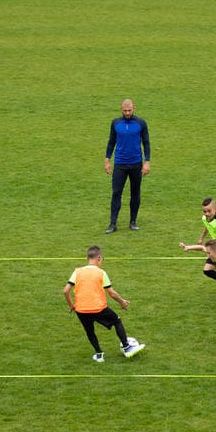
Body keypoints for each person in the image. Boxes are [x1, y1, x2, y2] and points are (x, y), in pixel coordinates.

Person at [64, 245, 145, 362]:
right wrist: (122, 302)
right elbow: (111, 293)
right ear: (99, 258)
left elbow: (66, 290)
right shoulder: (101, 272)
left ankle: (99, 354)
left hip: (81, 310)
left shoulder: (77, 272)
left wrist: (71, 305)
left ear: (87, 257)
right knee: (117, 321)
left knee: (90, 331)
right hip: (98, 308)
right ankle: (127, 348)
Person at [104, 98, 151, 232]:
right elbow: (111, 142)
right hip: (120, 164)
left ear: (134, 108)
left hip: (136, 163)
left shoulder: (141, 123)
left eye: (129, 110)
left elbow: (146, 143)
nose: (127, 113)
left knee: (135, 193)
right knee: (116, 193)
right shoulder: (115, 123)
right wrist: (107, 160)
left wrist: (147, 161)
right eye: (125, 111)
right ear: (121, 109)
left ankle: (133, 221)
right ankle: (113, 224)